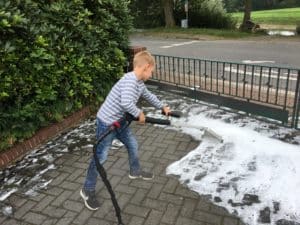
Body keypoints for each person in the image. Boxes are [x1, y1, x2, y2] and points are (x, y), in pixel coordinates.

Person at [80, 50, 171, 210]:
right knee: (100, 158)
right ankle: (87, 189)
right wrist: (139, 113)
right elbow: (126, 103)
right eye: (151, 71)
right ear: (146, 67)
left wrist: (162, 106)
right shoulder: (130, 81)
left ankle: (135, 171)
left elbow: (148, 95)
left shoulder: (139, 83)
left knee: (133, 144)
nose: (151, 74)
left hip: (120, 123)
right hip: (107, 124)